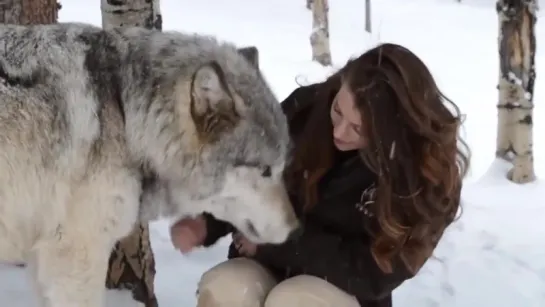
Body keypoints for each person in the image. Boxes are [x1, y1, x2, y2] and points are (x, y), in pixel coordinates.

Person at [170, 43, 470, 307]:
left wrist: (281, 242)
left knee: (295, 301)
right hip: (265, 265)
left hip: (342, 292)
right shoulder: (307, 108)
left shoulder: (424, 177)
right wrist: (206, 223)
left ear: (393, 130)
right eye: (339, 111)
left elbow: (374, 274)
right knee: (227, 289)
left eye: (358, 129)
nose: (339, 131)